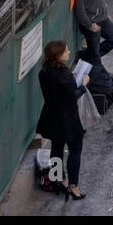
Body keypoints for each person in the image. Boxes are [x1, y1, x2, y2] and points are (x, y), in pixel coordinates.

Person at [36, 40, 89, 200]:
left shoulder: (44, 72)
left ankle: (58, 180)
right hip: (68, 120)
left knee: (56, 150)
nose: (68, 52)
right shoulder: (65, 76)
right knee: (75, 151)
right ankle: (73, 186)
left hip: (51, 117)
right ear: (58, 56)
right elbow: (72, 96)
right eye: (65, 51)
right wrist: (83, 85)